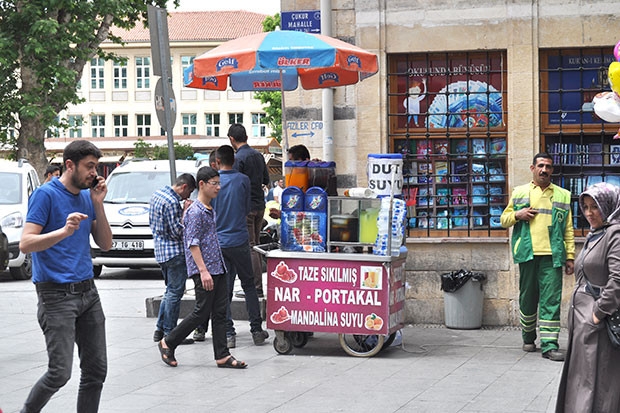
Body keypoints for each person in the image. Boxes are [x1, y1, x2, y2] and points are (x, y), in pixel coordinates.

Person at [19, 140, 113, 413]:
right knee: (60, 372)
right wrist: (63, 231)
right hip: (55, 295)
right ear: (69, 165)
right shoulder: (45, 195)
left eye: (96, 166)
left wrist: (98, 204)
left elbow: (105, 244)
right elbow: (26, 243)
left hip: (88, 293)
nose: (94, 173)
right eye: (89, 166)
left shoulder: (87, 195)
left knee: (96, 370)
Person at [157, 166, 247, 369]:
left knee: (220, 312)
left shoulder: (208, 209)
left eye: (218, 183)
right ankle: (168, 342)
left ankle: (222, 355)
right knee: (201, 312)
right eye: (214, 184)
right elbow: (192, 243)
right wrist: (203, 271)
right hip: (205, 270)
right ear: (202, 185)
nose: (218, 187)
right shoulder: (195, 212)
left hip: (218, 267)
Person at [500, 152, 575, 362]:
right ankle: (528, 337)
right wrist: (518, 214)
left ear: (552, 170)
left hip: (553, 255)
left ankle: (550, 345)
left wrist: (570, 256)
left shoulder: (562, 195)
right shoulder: (520, 192)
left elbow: (568, 229)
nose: (544, 170)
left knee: (551, 300)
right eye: (540, 165)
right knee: (528, 298)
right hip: (527, 253)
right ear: (533, 168)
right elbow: (503, 220)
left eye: (548, 166)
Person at [555, 182, 620, 413]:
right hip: (582, 323)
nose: (589, 213)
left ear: (609, 206)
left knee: (597, 383)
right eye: (585, 207)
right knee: (582, 380)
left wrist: (597, 313)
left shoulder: (615, 233)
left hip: (597, 324)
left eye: (596, 207)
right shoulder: (596, 234)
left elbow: (618, 280)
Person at [212, 145, 268, 348]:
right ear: (234, 161)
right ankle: (256, 330)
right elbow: (247, 209)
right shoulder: (243, 181)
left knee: (224, 290)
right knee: (249, 286)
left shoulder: (213, 183)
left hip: (219, 242)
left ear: (217, 162)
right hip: (240, 240)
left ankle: (228, 333)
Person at [149, 173, 197, 345]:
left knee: (170, 291)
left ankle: (160, 329)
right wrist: (185, 212)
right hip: (174, 252)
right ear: (183, 187)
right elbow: (177, 231)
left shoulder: (158, 194)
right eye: (189, 192)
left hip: (161, 251)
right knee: (175, 294)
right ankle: (170, 333)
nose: (188, 196)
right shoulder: (171, 202)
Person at [228, 123, 269, 298]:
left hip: (247, 208)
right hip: (260, 205)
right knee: (256, 246)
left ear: (231, 139)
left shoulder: (238, 159)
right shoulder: (258, 155)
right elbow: (266, 179)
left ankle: (255, 288)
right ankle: (256, 286)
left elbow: (235, 184)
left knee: (251, 247)